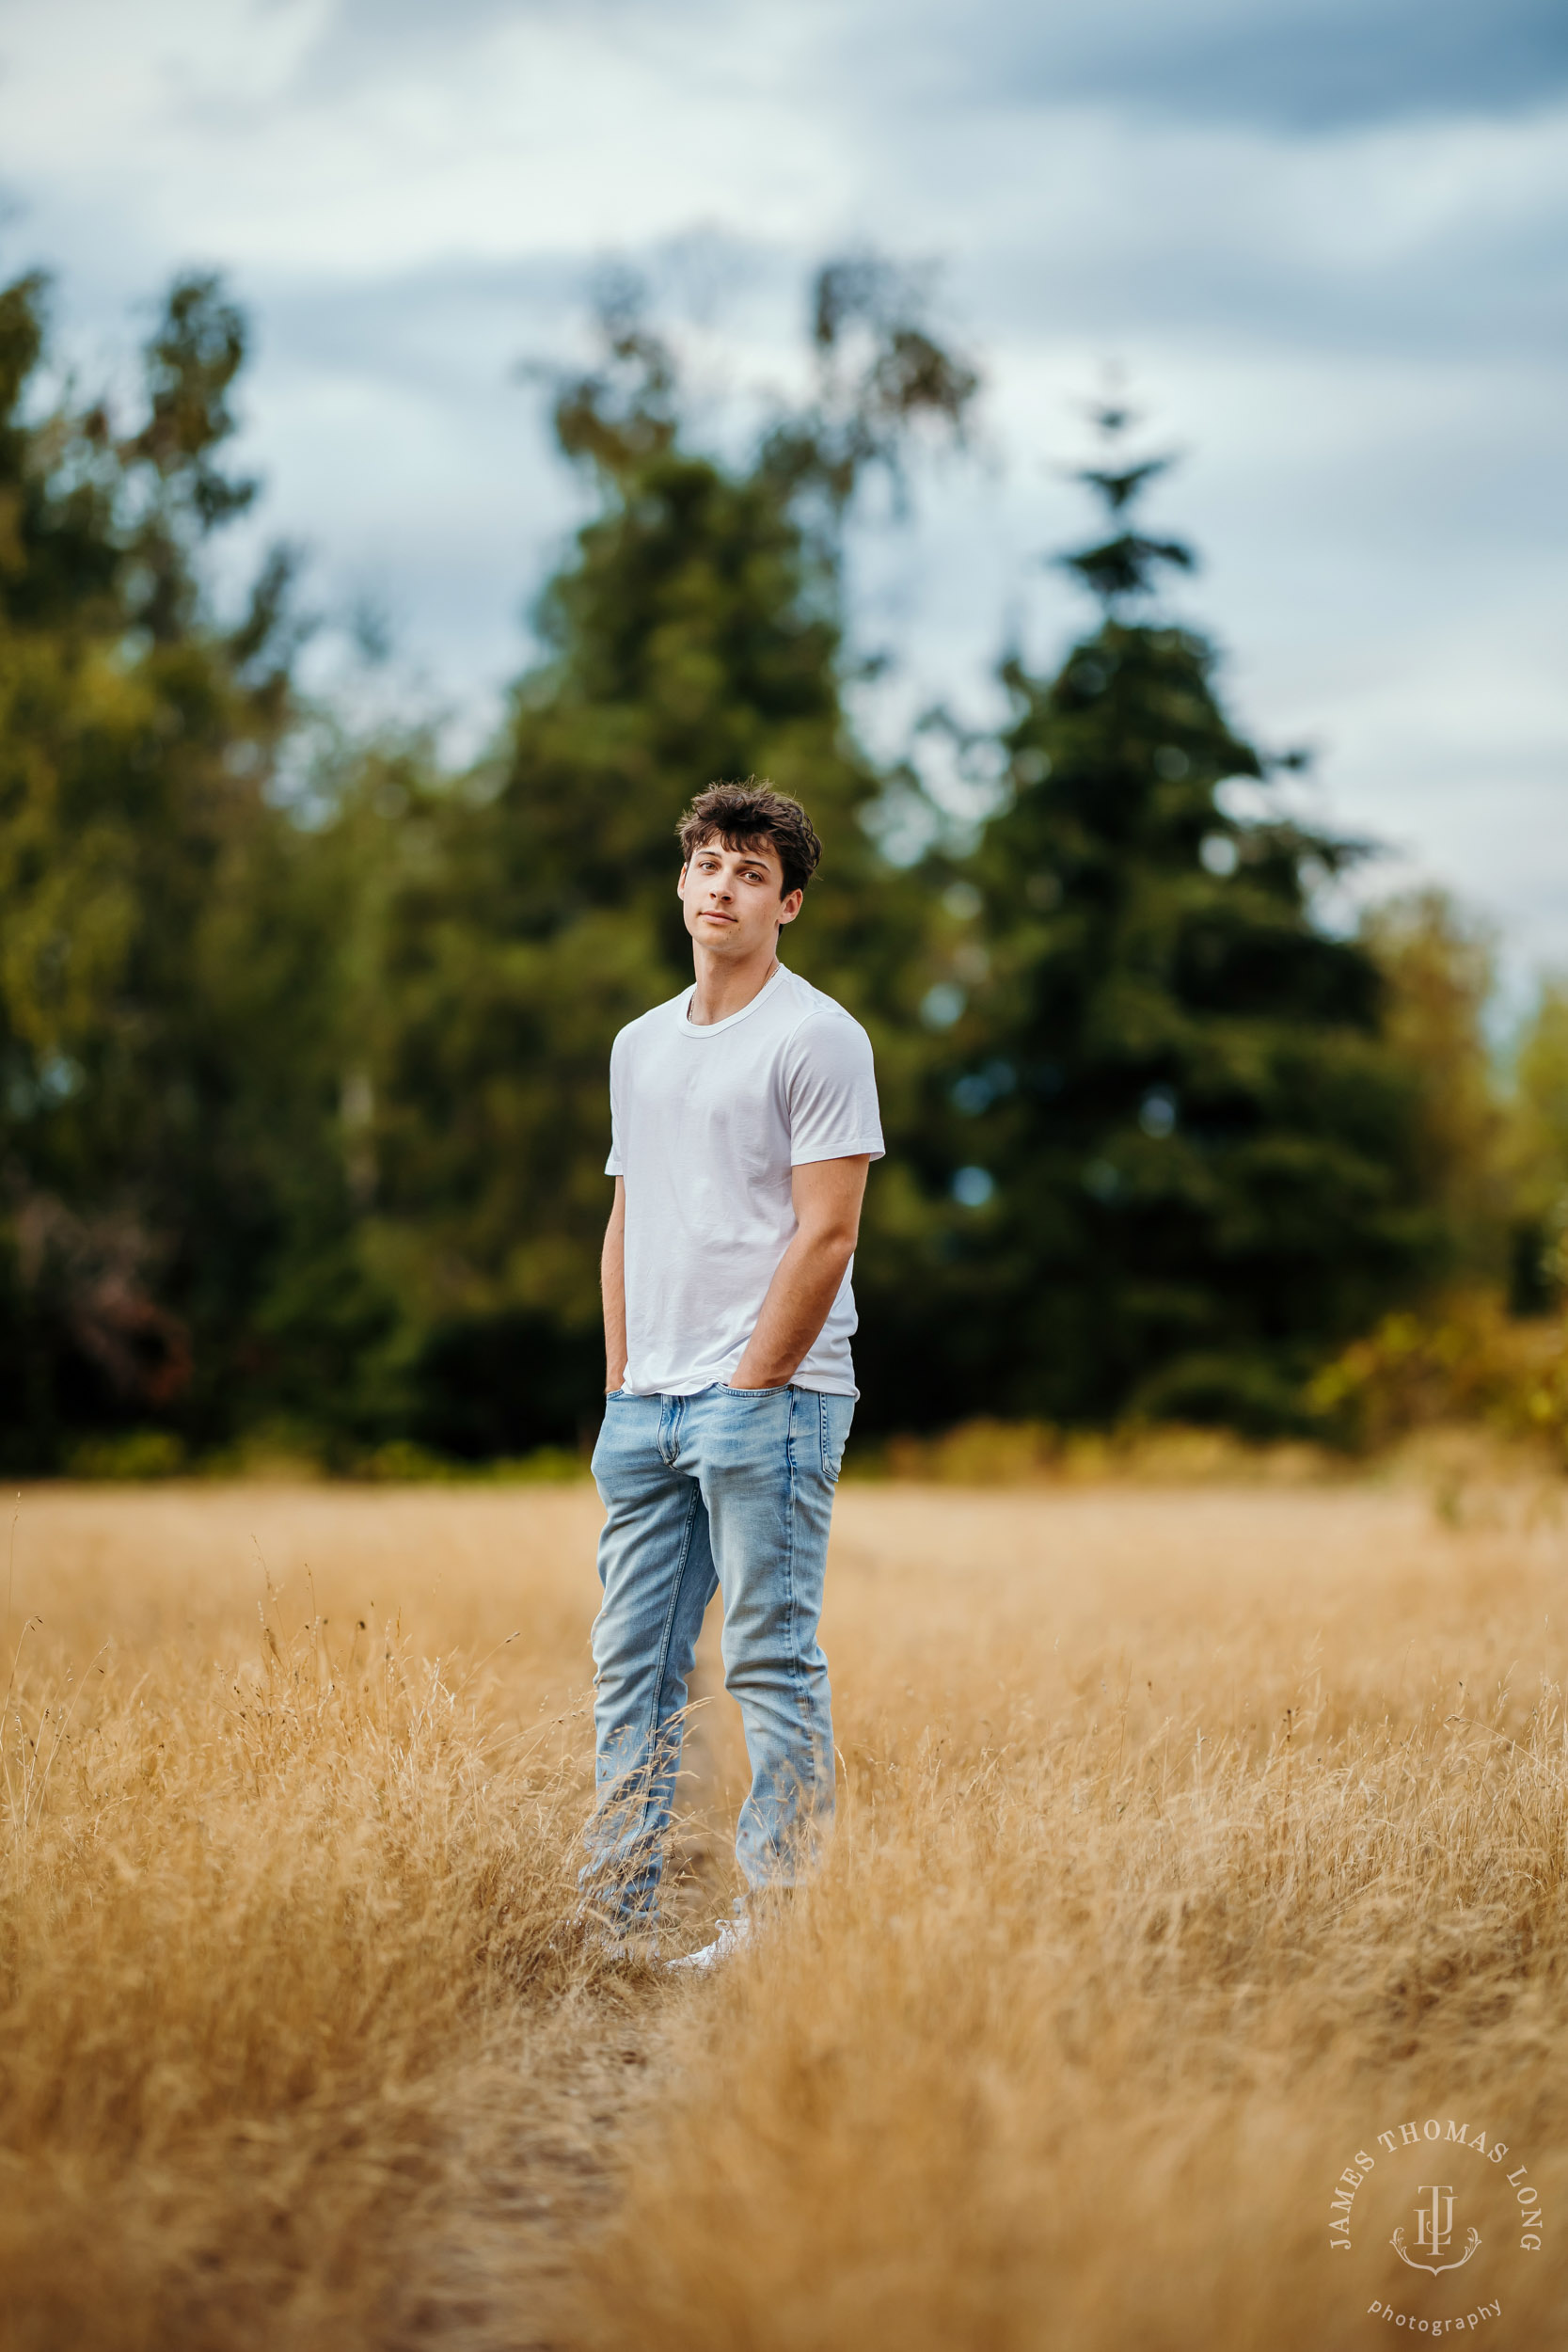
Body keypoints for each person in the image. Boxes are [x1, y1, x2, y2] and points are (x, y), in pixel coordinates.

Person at [582, 779, 882, 1967]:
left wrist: (750, 1387)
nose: (723, 885)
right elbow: (624, 1221)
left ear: (787, 902)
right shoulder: (638, 1045)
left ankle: (782, 1925)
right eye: (708, 862)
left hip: (776, 1400)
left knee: (768, 1656)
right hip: (644, 1404)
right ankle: (613, 1914)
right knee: (631, 1666)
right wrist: (620, 1383)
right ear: (680, 881)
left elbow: (828, 1232)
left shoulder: (818, 1037)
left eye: (751, 872)